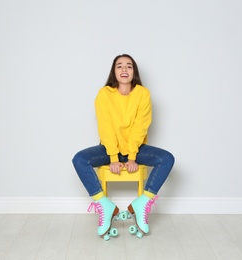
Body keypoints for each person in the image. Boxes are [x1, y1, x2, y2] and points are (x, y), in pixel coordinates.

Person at [72, 54, 174, 238]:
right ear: (114, 71)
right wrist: (113, 157)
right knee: (79, 159)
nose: (124, 70)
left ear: (134, 71)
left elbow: (140, 127)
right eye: (119, 66)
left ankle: (142, 203)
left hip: (135, 149)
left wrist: (133, 156)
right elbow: (106, 127)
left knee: (167, 159)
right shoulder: (104, 94)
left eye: (129, 66)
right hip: (109, 149)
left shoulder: (143, 94)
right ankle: (105, 205)